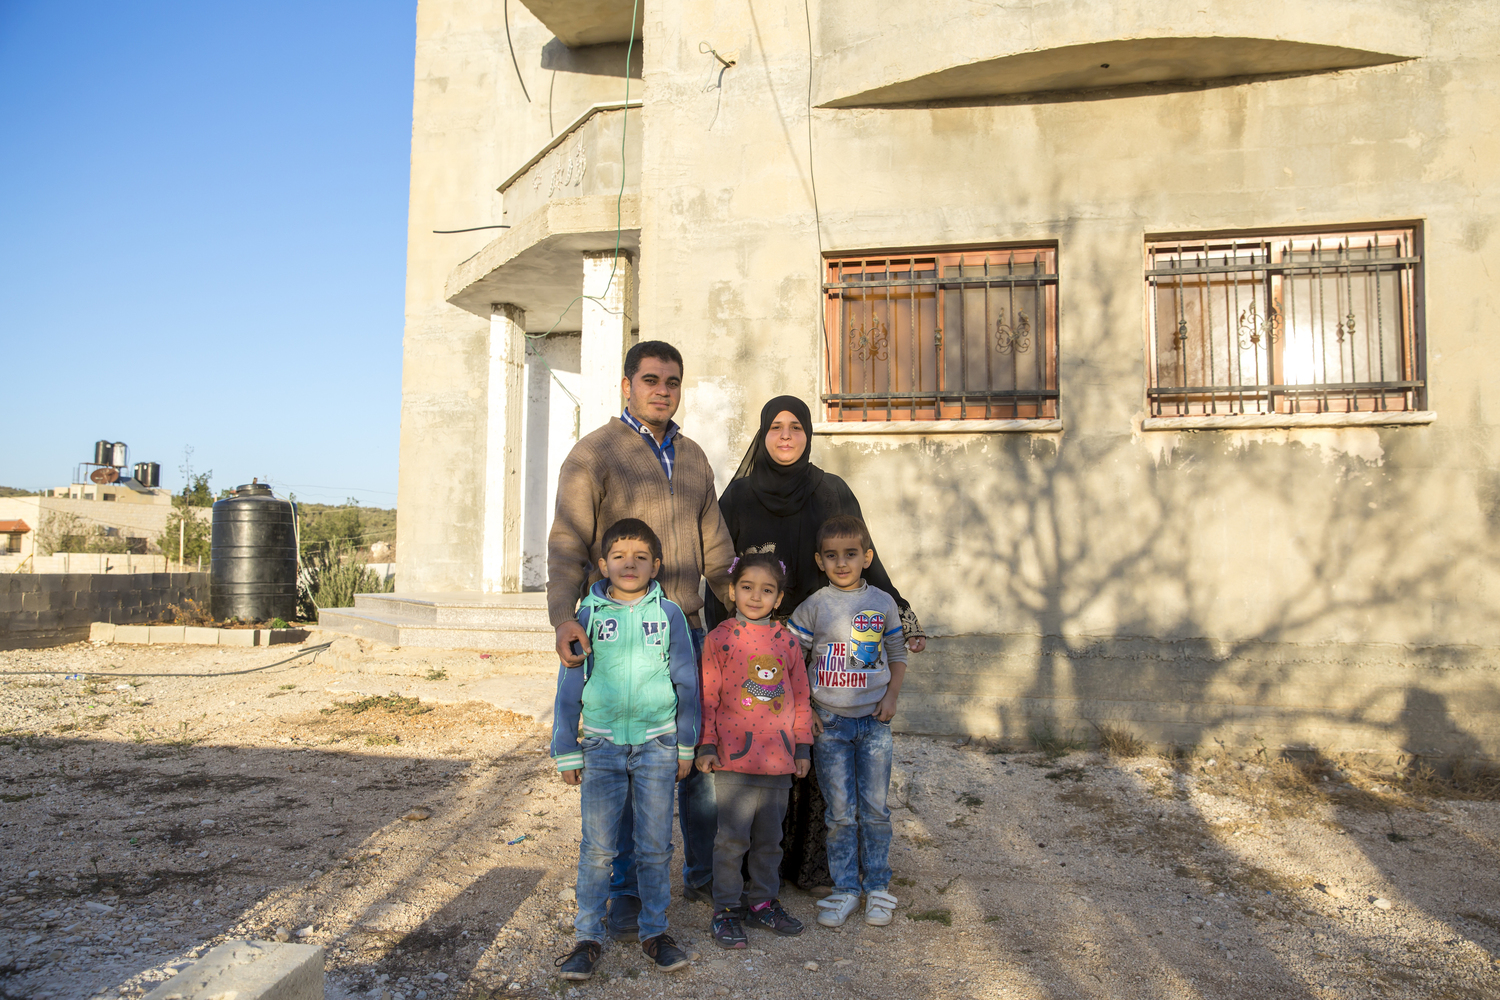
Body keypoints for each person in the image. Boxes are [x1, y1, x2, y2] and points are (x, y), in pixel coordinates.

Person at [547, 340, 735, 935]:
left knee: (695, 762)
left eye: (672, 381)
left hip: (687, 631)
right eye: (651, 379)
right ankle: (626, 892)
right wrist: (564, 616)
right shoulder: (594, 454)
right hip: (620, 639)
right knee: (630, 768)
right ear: (627, 385)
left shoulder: (693, 456)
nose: (662, 390)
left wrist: (746, 613)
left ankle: (701, 876)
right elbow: (567, 542)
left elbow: (717, 549)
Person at [701, 395, 924, 891]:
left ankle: (815, 868)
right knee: (762, 744)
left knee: (815, 749)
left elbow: (866, 558)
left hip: (820, 646)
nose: (786, 436)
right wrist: (727, 642)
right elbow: (722, 574)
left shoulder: (831, 490)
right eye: (775, 427)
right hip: (759, 646)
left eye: (796, 427)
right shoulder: (738, 497)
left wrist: (902, 614)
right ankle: (754, 872)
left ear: (808, 434)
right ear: (762, 434)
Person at [550, 518, 699, 980]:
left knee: (654, 847)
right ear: (603, 565)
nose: (629, 564)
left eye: (640, 558)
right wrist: (566, 746)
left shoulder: (669, 615)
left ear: (656, 565)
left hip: (658, 745)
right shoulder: (588, 616)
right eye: (619, 557)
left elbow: (687, 682)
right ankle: (587, 938)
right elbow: (569, 684)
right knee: (598, 849)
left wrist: (686, 744)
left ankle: (655, 932)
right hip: (601, 746)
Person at [789, 514, 907, 929]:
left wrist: (891, 696)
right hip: (830, 724)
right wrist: (804, 708)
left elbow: (898, 654)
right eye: (832, 556)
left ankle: (877, 886)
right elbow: (792, 659)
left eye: (851, 554)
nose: (841, 563)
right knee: (840, 813)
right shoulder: (814, 605)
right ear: (819, 561)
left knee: (874, 810)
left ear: (866, 557)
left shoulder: (882, 602)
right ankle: (845, 889)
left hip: (874, 722)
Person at [696, 553, 813, 949]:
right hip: (734, 759)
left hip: (779, 760)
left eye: (766, 590)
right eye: (747, 587)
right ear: (732, 591)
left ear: (778, 598)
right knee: (731, 841)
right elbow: (707, 696)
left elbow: (801, 698)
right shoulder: (720, 639)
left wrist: (802, 747)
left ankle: (763, 902)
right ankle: (726, 909)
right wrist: (706, 743)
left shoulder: (788, 642)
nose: (755, 596)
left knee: (769, 840)